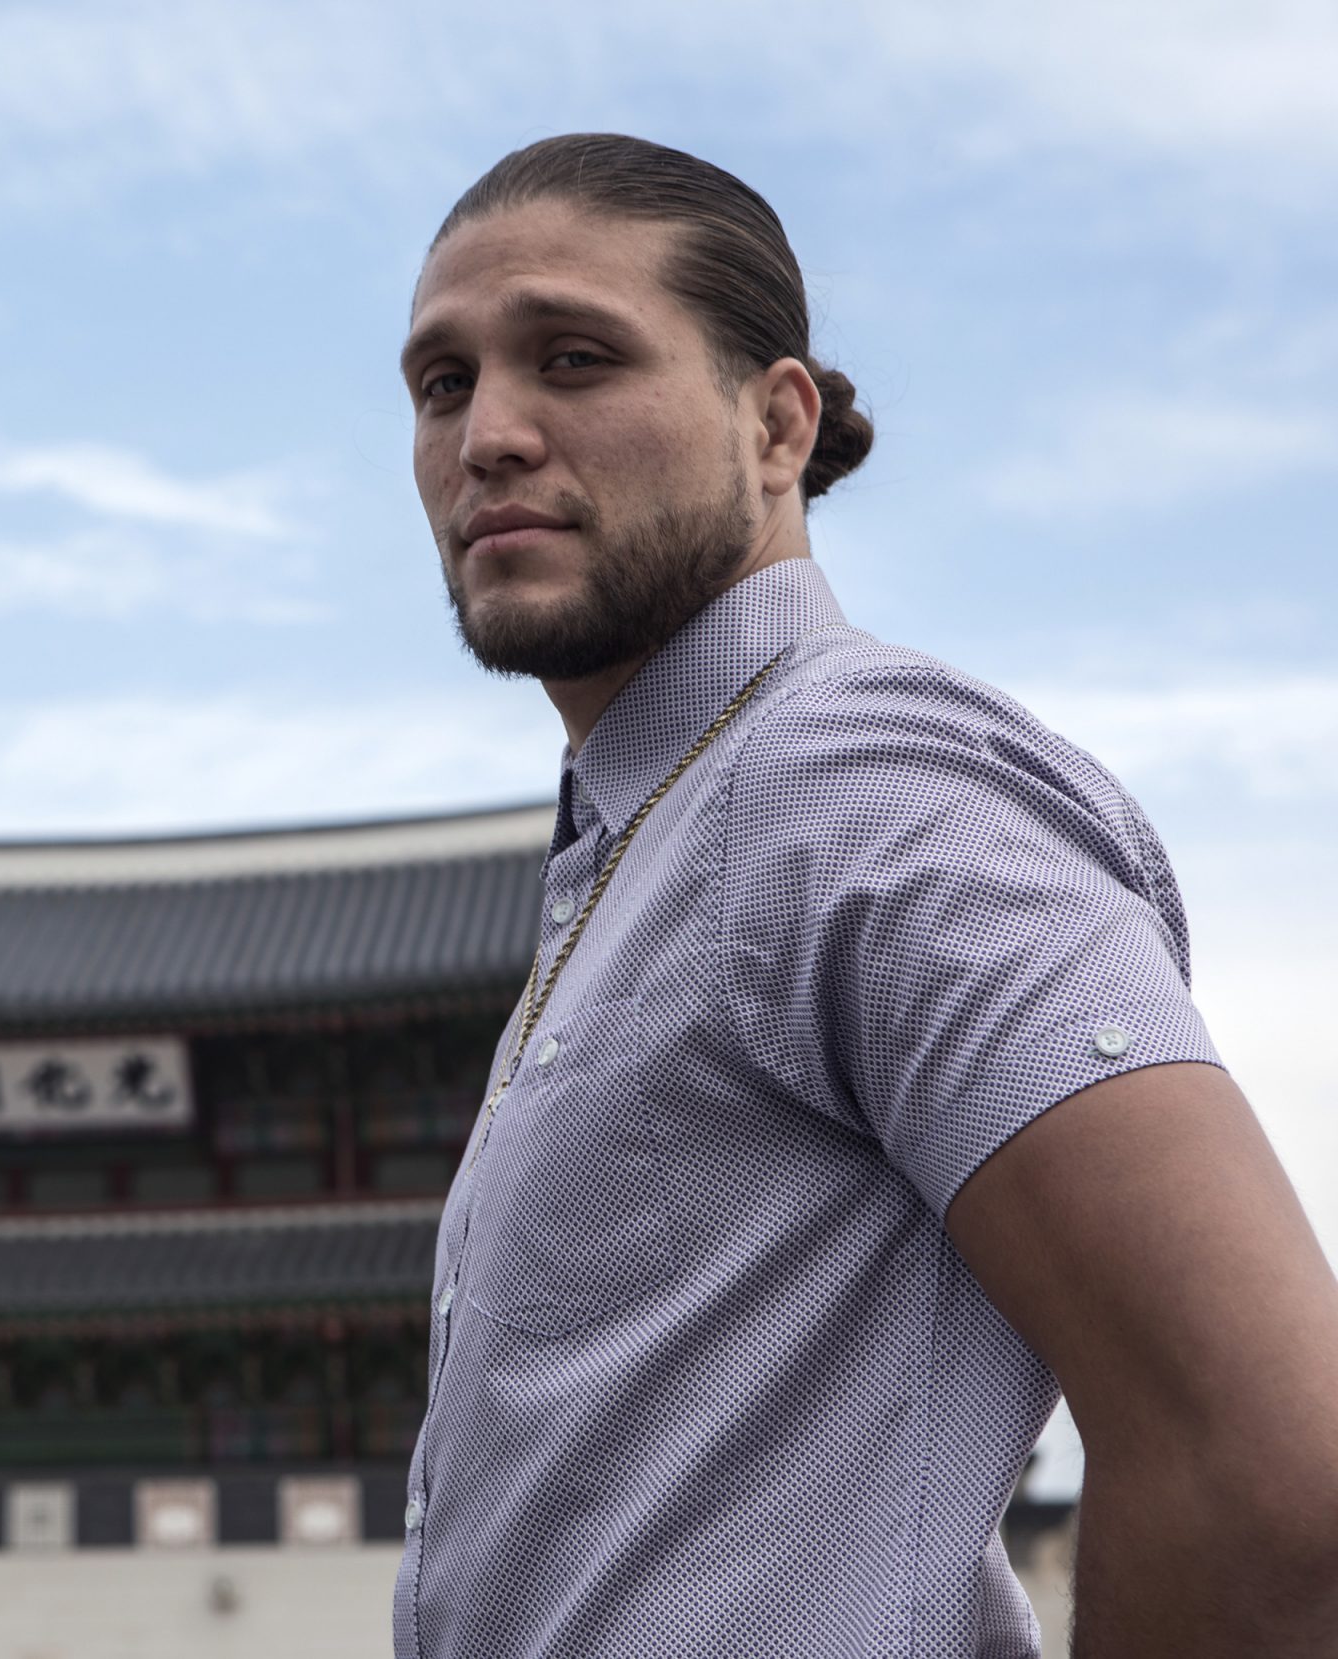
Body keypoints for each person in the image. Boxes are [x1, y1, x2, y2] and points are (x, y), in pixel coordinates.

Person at [392, 134, 1338, 1657]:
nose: (491, 433)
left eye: (574, 358)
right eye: (443, 386)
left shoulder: (860, 788)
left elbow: (1272, 1468)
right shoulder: (649, 835)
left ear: (777, 424)